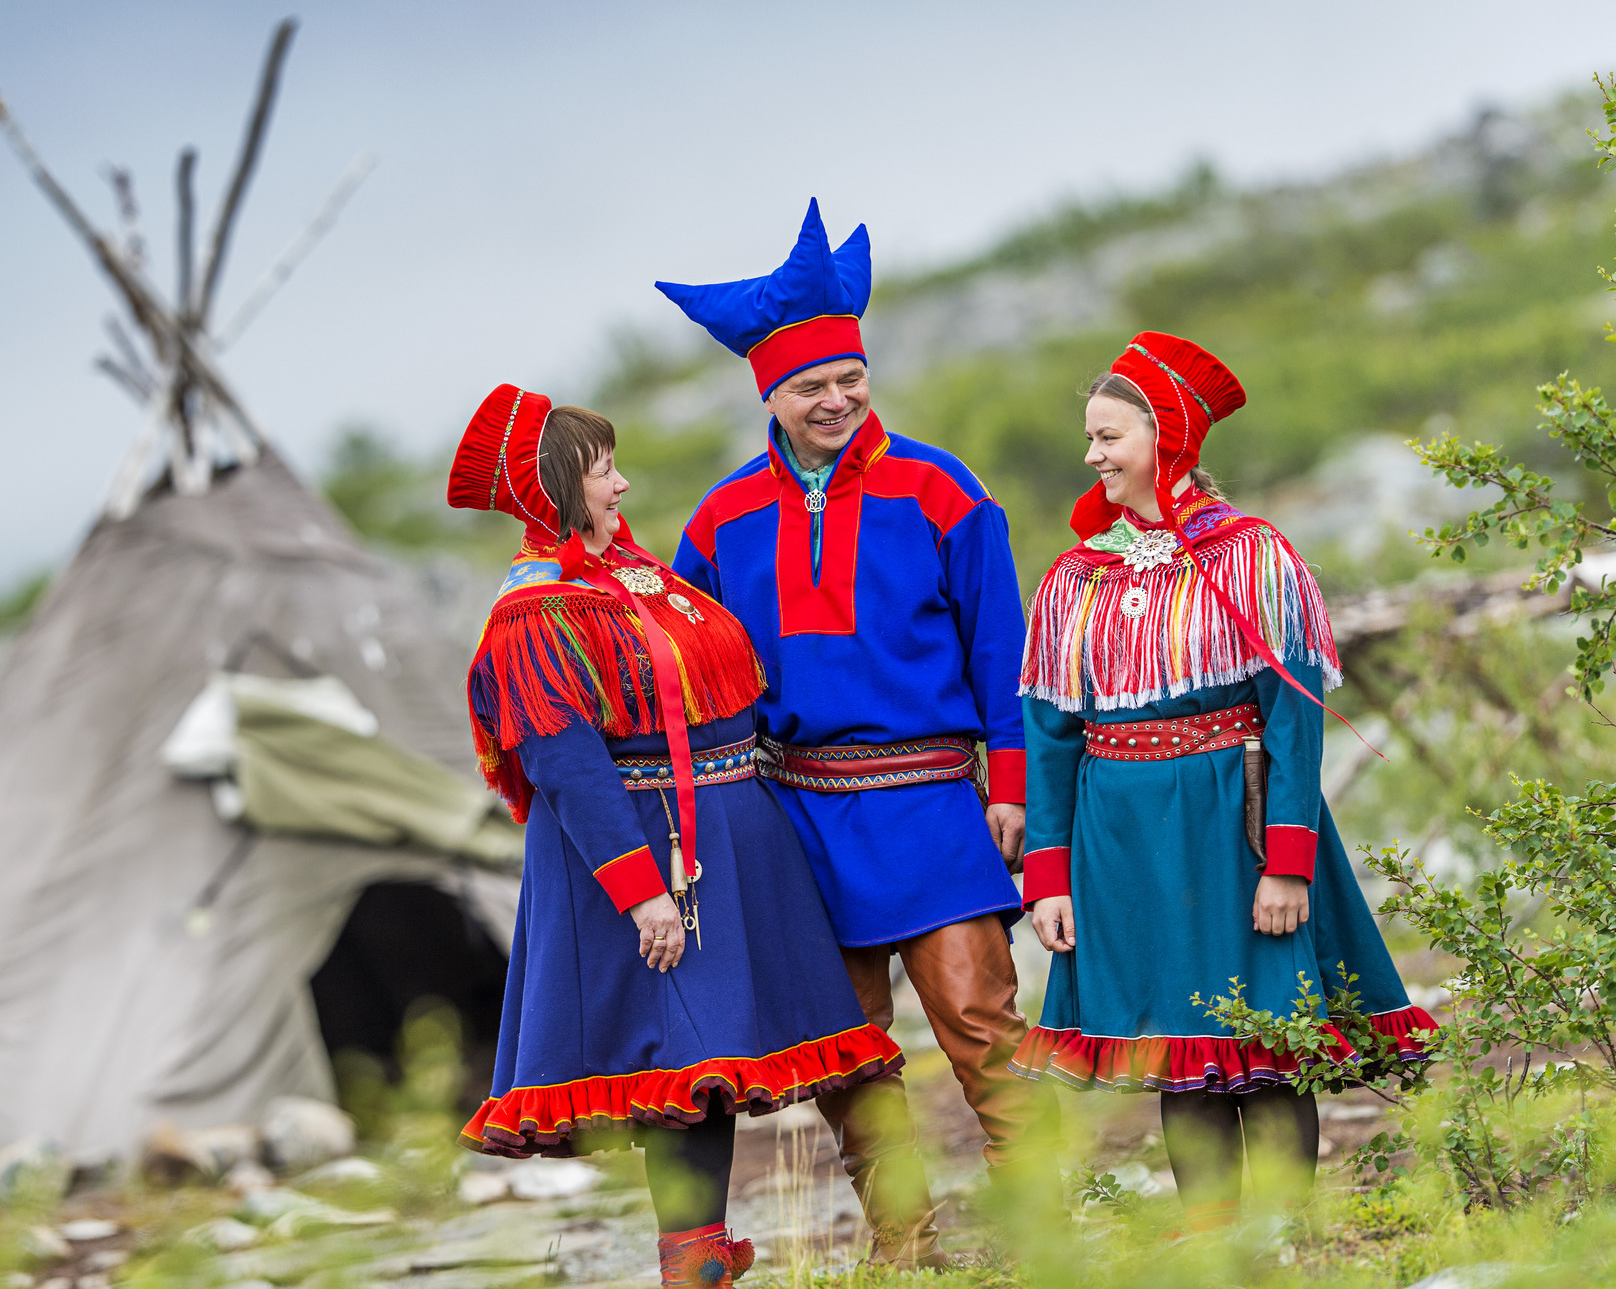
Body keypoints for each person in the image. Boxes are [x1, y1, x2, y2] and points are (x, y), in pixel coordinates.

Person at [664, 200, 1059, 1268]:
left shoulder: (942, 490)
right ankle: (903, 1241)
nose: (835, 398)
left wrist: (1010, 783)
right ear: (771, 398)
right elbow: (693, 676)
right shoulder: (719, 519)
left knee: (980, 1025)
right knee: (846, 1058)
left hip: (932, 801)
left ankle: (1046, 1237)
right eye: (811, 387)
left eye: (850, 378)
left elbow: (1002, 653)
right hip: (796, 817)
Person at [447, 384, 904, 1288]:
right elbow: (568, 765)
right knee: (684, 1063)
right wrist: (642, 889)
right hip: (654, 854)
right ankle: (694, 1266)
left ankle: (908, 1231)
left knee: (755, 1050)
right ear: (553, 486)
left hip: (733, 840)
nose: (622, 483)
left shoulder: (634, 576)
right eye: (602, 468)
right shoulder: (535, 611)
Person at [1010, 332, 1438, 1231]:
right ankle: (1214, 1249)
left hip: (1234, 829)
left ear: (1165, 435)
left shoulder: (1252, 556)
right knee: (1180, 1042)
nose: (1092, 457)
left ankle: (1286, 1239)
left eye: (1109, 437)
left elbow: (1293, 720)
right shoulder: (1072, 580)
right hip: (1121, 846)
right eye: (1090, 438)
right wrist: (1047, 876)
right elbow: (1048, 738)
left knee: (1268, 1041)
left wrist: (1288, 861)